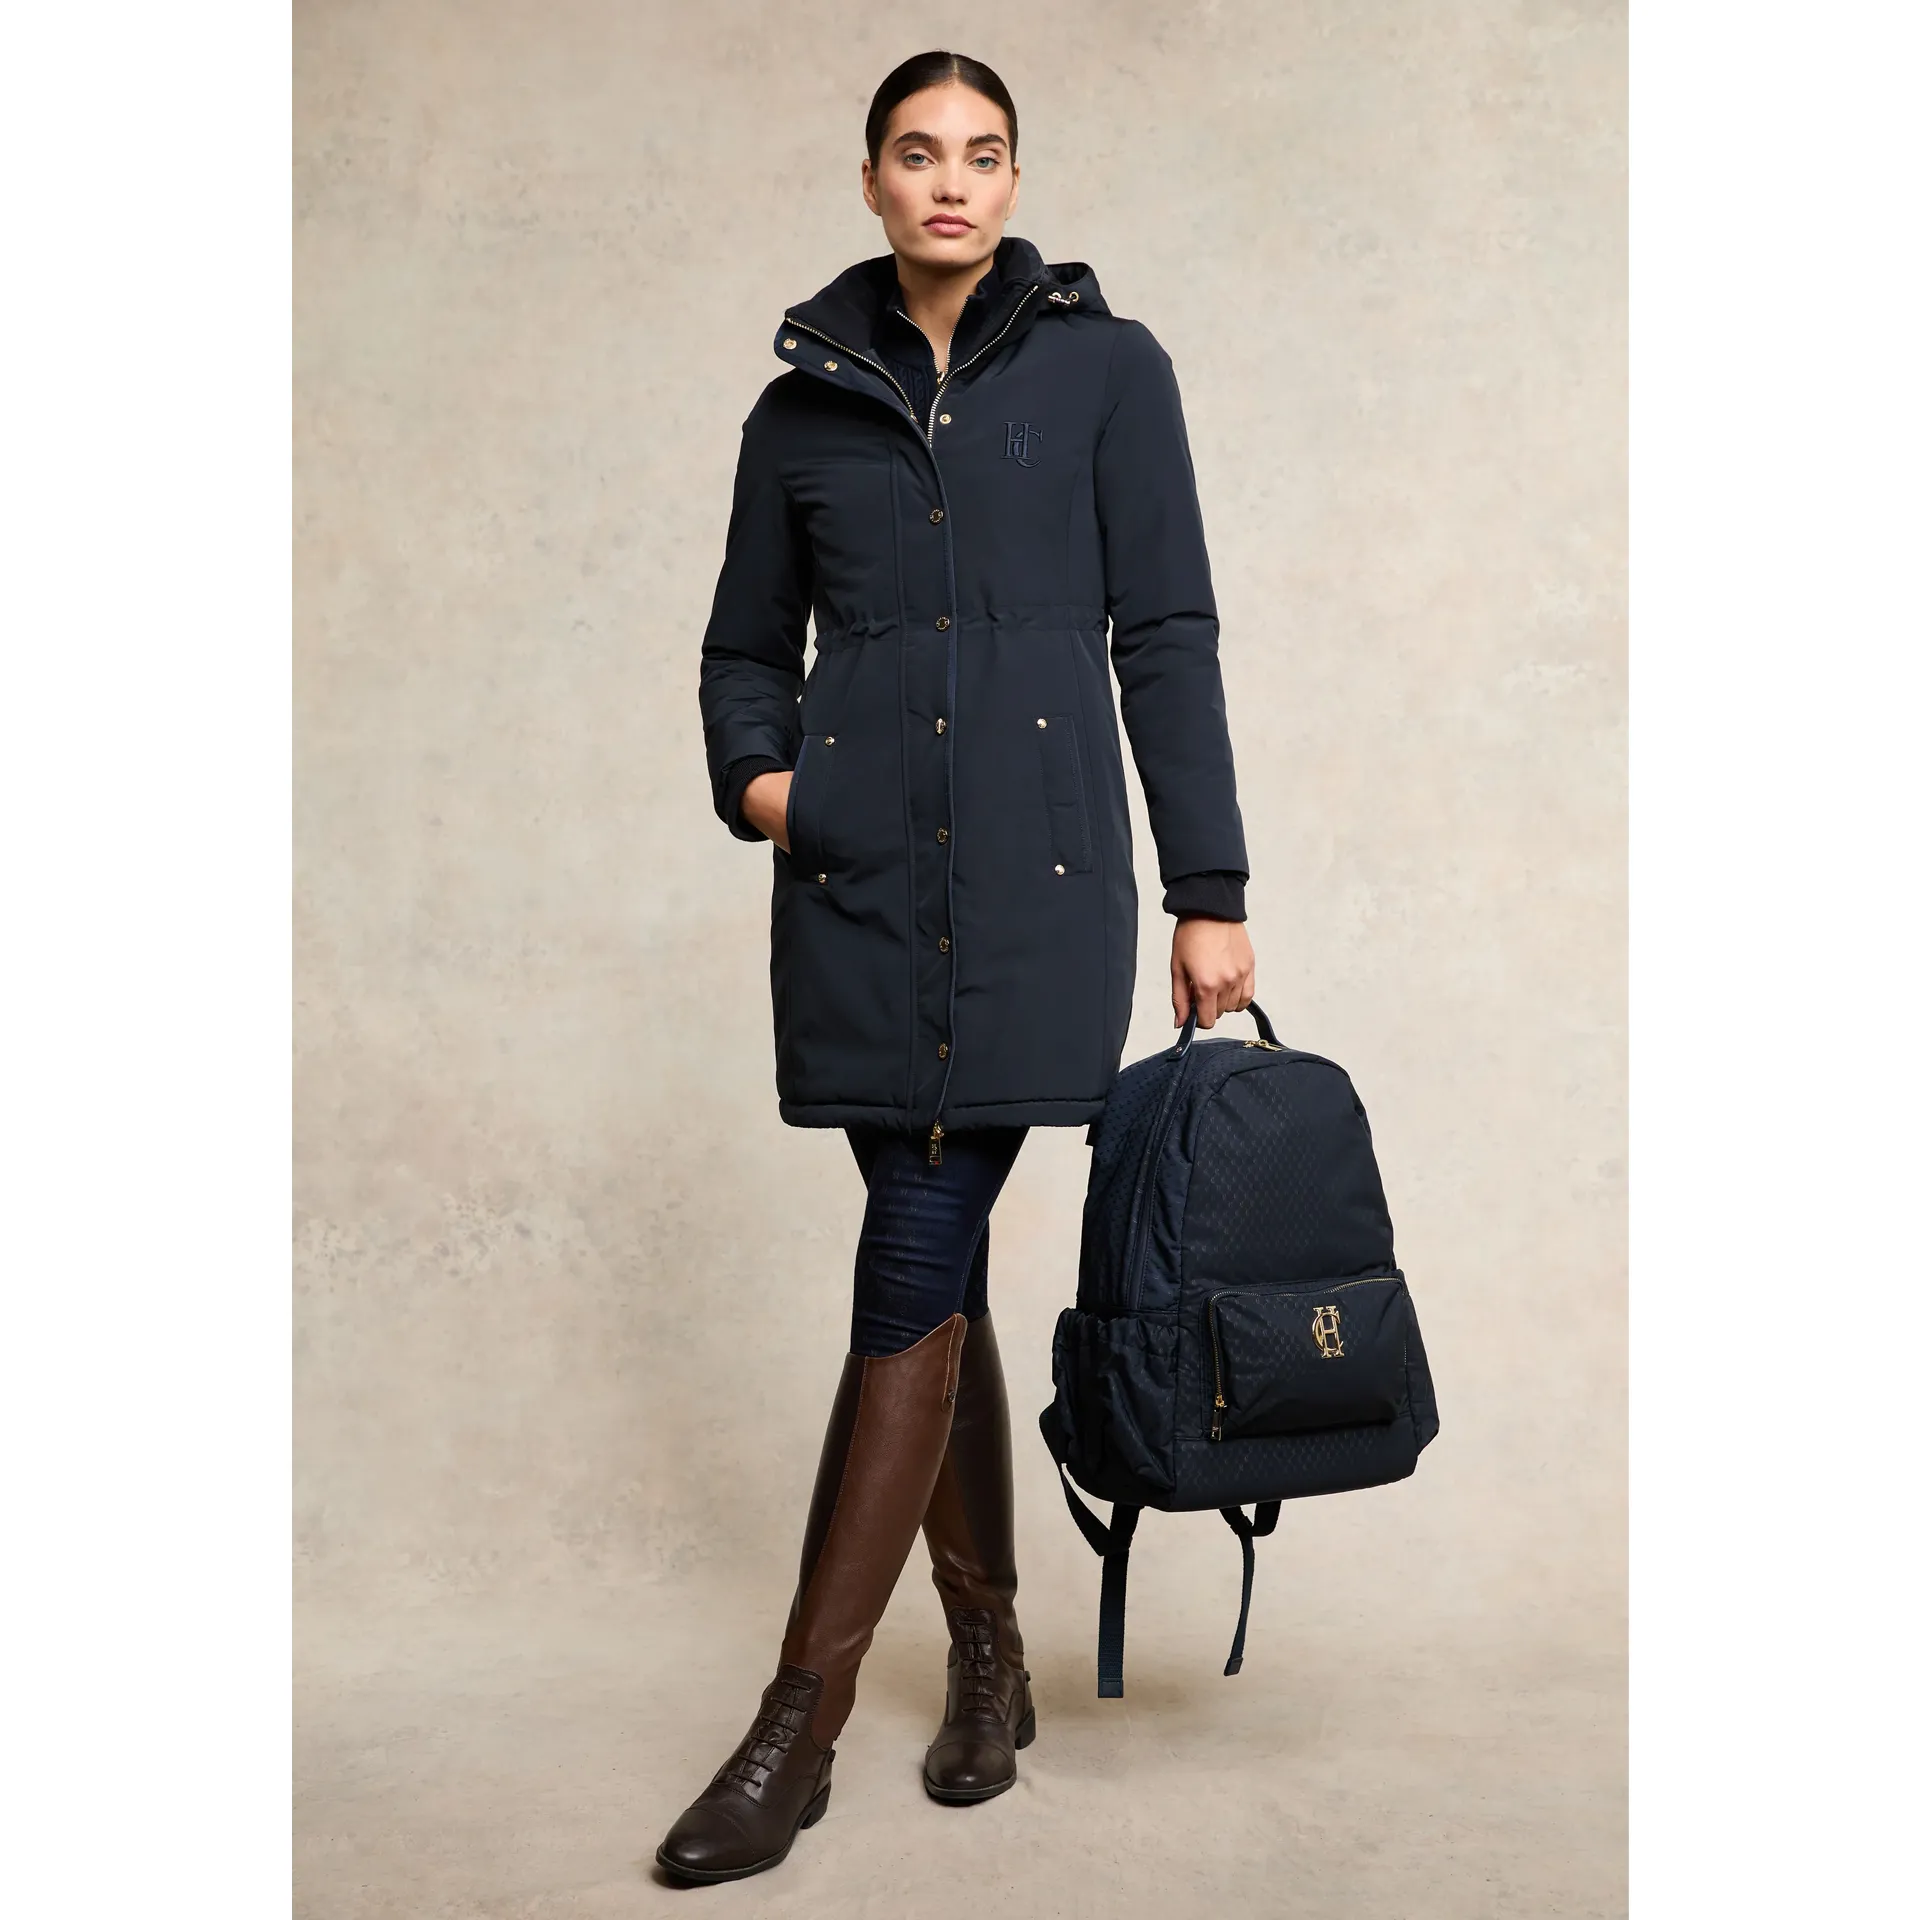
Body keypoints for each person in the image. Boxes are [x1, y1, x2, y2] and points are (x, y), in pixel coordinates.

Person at [657, 49, 1256, 1885]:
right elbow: (743, 649)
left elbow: (1166, 628)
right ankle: (989, 1656)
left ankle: (797, 1727)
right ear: (871, 180)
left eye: (982, 155)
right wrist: (773, 788)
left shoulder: (1107, 371)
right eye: (918, 153)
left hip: (1038, 889)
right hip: (856, 894)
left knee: (914, 1250)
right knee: (943, 1275)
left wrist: (1209, 884)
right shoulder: (799, 413)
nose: (950, 182)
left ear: (1013, 181)